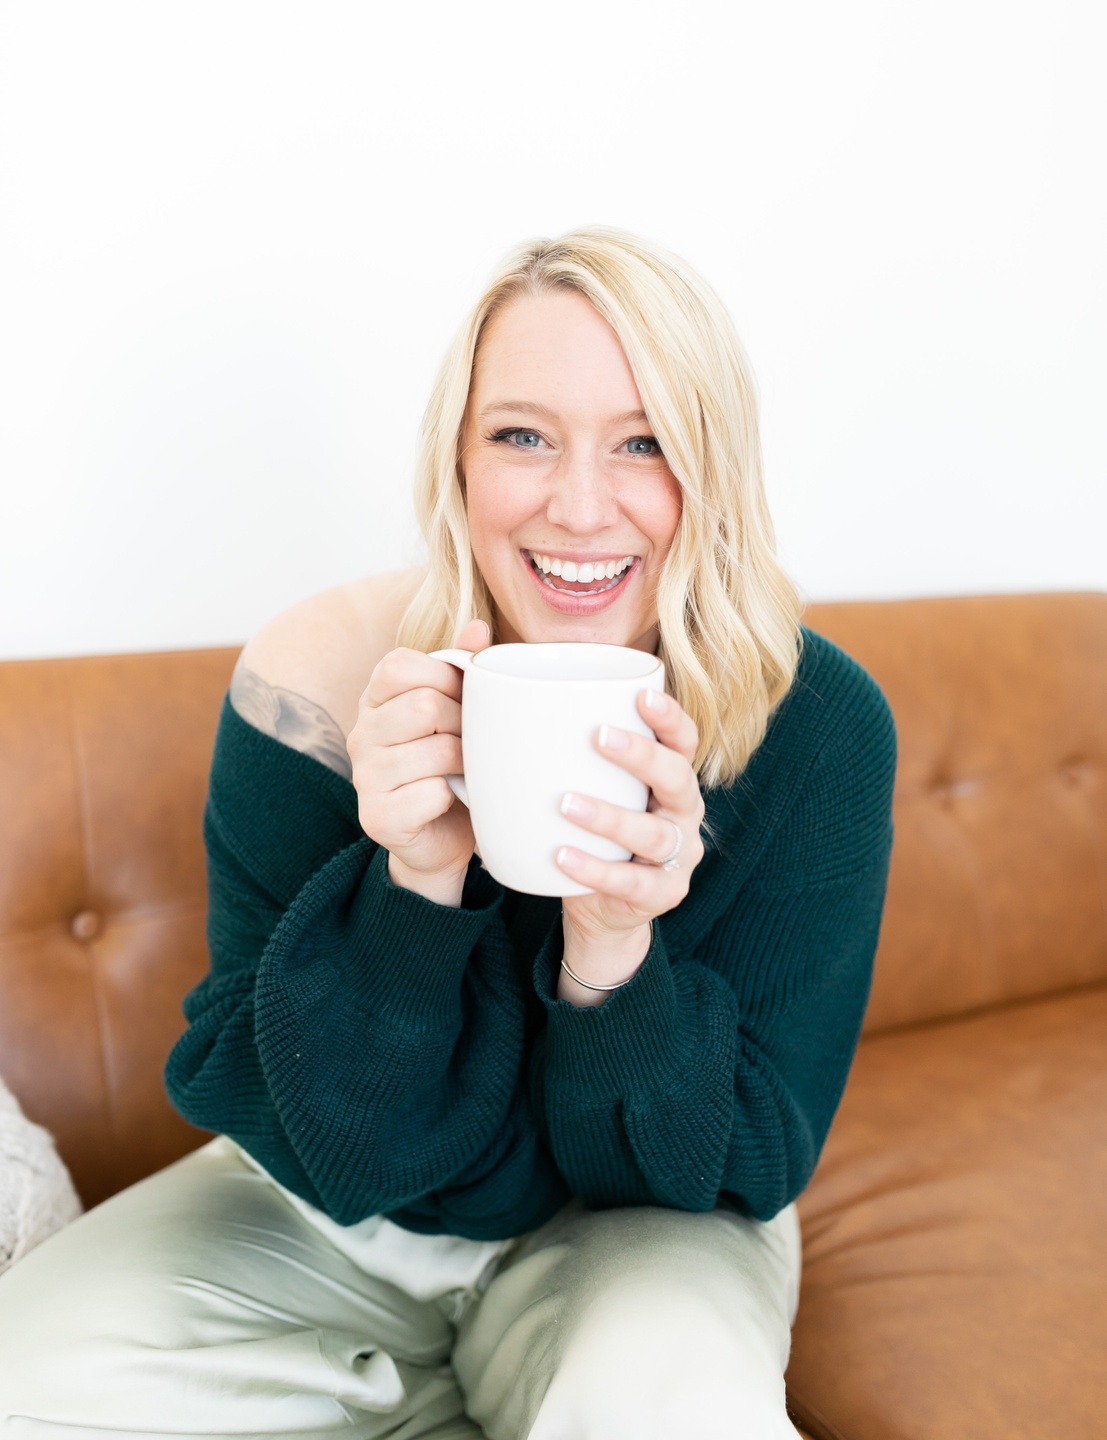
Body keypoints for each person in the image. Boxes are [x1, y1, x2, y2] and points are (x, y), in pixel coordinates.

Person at [0, 228, 896, 1437]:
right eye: (522, 436)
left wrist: (613, 956)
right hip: (335, 1214)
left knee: (672, 1411)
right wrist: (414, 882)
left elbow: (743, 1158)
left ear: (714, 473)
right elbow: (320, 1142)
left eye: (643, 443)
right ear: (457, 464)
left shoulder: (818, 727)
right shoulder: (318, 686)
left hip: (641, 1227)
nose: (580, 507)